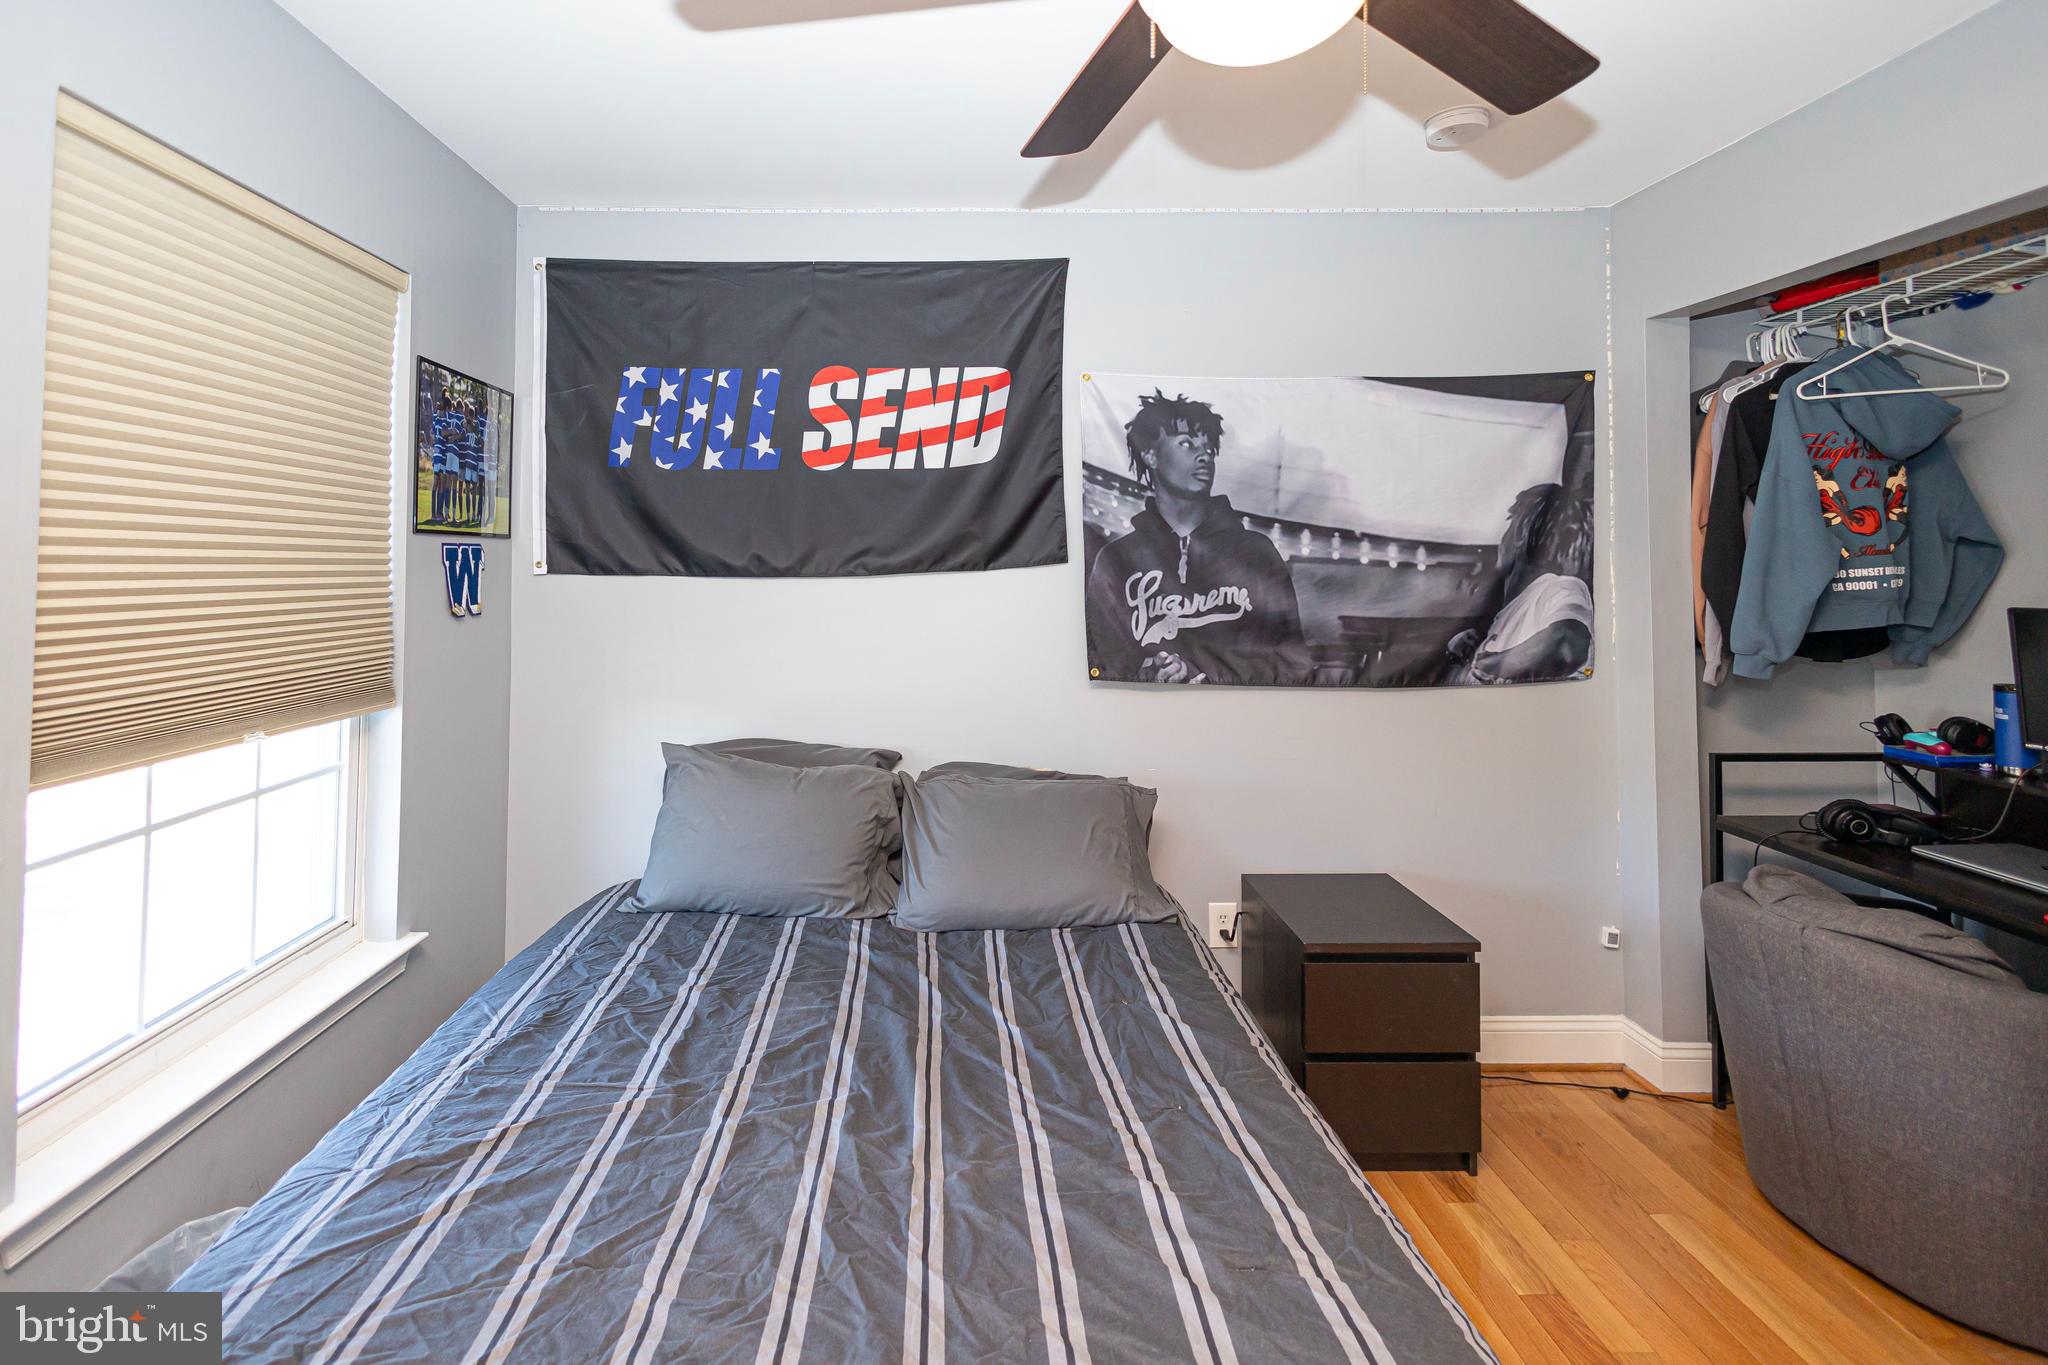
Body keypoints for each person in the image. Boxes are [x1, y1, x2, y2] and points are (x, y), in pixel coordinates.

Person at [1085, 391, 1309, 686]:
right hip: (1149, 712)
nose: (1204, 456)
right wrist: (1146, 675)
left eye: (1208, 448)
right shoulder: (1117, 559)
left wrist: (1217, 682)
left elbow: (1293, 662)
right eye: (1187, 444)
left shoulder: (1255, 552)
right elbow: (1103, 662)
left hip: (1242, 712)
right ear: (1151, 455)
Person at [1449, 481, 1595, 684]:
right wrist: (1458, 652)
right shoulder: (1506, 614)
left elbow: (1567, 643)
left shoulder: (1559, 587)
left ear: (1519, 532)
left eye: (1508, 526)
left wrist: (1488, 664)